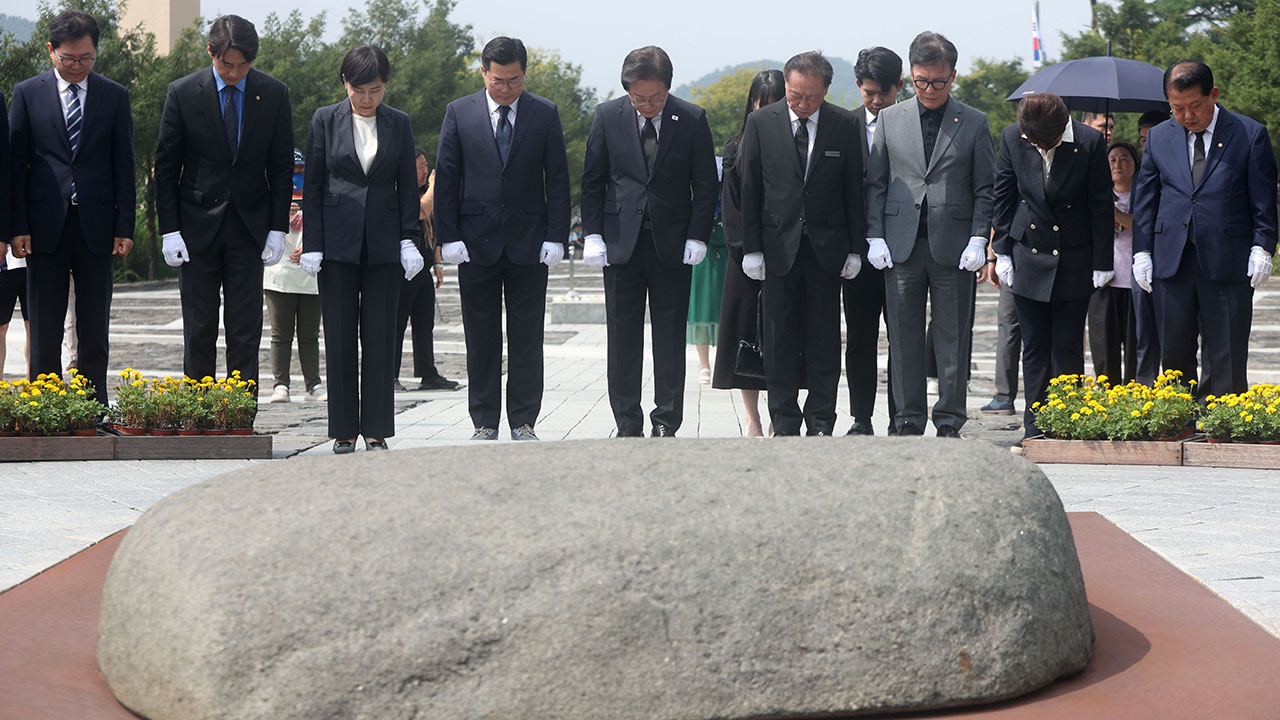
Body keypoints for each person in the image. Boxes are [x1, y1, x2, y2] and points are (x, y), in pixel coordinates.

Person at [435, 36, 571, 441]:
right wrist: (448, 237)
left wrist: (557, 235)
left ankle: (524, 418)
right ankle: (484, 420)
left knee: (527, 335)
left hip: (530, 242)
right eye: (498, 81)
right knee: (481, 336)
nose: (506, 88)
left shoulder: (545, 113)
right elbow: (447, 179)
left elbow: (559, 179)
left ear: (524, 74)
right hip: (475, 242)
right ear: (483, 73)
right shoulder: (459, 113)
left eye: (513, 80)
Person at [580, 45, 718, 437]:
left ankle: (666, 421)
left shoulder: (691, 118)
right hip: (621, 245)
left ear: (668, 89)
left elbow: (705, 184)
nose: (646, 105)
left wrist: (698, 235)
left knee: (670, 337)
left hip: (672, 246)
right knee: (623, 338)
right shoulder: (608, 116)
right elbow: (593, 181)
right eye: (638, 98)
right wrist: (592, 234)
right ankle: (627, 422)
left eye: (655, 98)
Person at [865, 31, 995, 438]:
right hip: (900, 245)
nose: (930, 89)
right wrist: (874, 235)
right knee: (902, 338)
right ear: (911, 75)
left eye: (938, 82)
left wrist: (979, 238)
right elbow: (877, 182)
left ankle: (950, 419)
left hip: (954, 247)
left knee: (952, 337)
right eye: (921, 81)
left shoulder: (974, 121)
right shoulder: (890, 118)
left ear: (953, 76)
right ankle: (907, 418)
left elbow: (985, 188)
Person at [154, 14, 293, 393]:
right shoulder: (183, 93)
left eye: (243, 65)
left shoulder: (274, 93)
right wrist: (170, 229)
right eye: (226, 63)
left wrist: (277, 228)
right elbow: (166, 167)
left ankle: (239, 414)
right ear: (210, 53)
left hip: (250, 227)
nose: (234, 73)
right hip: (196, 227)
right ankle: (199, 414)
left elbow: (281, 167)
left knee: (245, 326)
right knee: (199, 325)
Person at [300, 44, 424, 453]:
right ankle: (343, 430)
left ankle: (375, 429)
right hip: (336, 244)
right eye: (359, 90)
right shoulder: (325, 120)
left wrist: (410, 238)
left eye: (375, 90)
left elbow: (408, 186)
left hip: (385, 244)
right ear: (345, 83)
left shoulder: (399, 124)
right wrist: (312, 243)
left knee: (380, 336)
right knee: (338, 336)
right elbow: (313, 185)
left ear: (385, 85)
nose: (367, 99)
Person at [8, 9, 135, 405]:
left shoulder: (114, 96)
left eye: (86, 58)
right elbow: (15, 166)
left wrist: (125, 226)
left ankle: (92, 405)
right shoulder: (27, 94)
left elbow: (123, 165)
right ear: (51, 51)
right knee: (45, 323)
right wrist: (16, 226)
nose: (78, 66)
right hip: (44, 225)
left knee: (94, 322)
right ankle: (45, 406)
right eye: (69, 59)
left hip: (97, 224)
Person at [1132, 60, 1278, 398]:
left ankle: (1223, 426)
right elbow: (1146, 201)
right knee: (1174, 352)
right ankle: (1179, 420)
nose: (1186, 116)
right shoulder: (1158, 137)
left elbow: (1264, 199)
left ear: (1213, 95)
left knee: (1226, 351)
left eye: (1194, 105)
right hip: (1172, 260)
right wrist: (1142, 251)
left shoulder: (1248, 133)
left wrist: (1263, 246)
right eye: (1177, 108)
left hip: (1227, 259)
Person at [740, 51, 865, 436]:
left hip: (826, 249)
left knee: (824, 339)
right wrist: (752, 247)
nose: (802, 103)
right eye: (795, 94)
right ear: (786, 85)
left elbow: (853, 190)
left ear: (826, 90)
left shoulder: (843, 124)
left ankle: (822, 420)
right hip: (778, 247)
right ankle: (784, 420)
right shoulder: (763, 122)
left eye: (811, 96)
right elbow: (750, 187)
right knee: (779, 340)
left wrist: (855, 248)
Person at [992, 93, 1113, 438]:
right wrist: (1000, 252)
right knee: (1034, 346)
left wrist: (1102, 261)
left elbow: (1100, 203)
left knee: (1067, 345)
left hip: (1074, 255)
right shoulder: (1012, 137)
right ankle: (1034, 426)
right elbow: (1003, 196)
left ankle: (1067, 423)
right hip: (1027, 252)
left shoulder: (1088, 142)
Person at [711, 69, 785, 438]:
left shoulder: (797, 145)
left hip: (786, 257)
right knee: (745, 340)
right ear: (751, 104)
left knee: (781, 338)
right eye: (762, 103)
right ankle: (752, 417)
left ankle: (779, 413)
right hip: (745, 262)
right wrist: (746, 252)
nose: (767, 111)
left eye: (776, 104)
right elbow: (732, 209)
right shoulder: (734, 148)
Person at [844, 46, 903, 435]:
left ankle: (903, 417)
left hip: (903, 248)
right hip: (857, 252)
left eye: (885, 93)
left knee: (902, 337)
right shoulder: (843, 126)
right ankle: (861, 418)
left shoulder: (913, 124)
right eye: (869, 93)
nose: (878, 101)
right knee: (861, 338)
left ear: (901, 86)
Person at [395, 148, 458, 392]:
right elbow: (420, 212)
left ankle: (427, 372)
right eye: (419, 166)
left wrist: (438, 262)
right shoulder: (401, 190)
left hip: (424, 266)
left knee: (424, 322)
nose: (424, 171)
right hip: (402, 268)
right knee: (397, 323)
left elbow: (432, 229)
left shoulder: (424, 192)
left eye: (425, 166)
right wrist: (436, 186)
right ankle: (390, 374)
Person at [264, 152, 325, 404]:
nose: (296, 178)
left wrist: (313, 243)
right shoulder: (269, 195)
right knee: (281, 333)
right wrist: (275, 210)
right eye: (292, 172)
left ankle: (314, 383)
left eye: (300, 171)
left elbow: (329, 224)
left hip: (309, 273)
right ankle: (281, 384)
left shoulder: (316, 194)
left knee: (310, 334)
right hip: (279, 273)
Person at [1087, 141, 1142, 383]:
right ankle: (1109, 404)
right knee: (1103, 350)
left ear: (1135, 164)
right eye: (1112, 160)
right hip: (1103, 283)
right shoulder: (1096, 196)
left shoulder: (1146, 194)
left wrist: (1118, 215)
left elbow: (1144, 227)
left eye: (1124, 159)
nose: (1118, 164)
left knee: (1136, 349)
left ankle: (1135, 399)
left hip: (1136, 284)